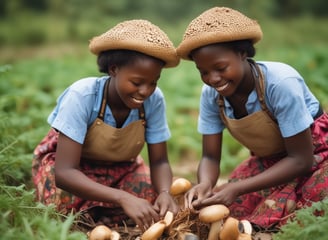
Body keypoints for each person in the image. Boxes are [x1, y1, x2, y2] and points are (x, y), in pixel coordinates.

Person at [176, 7, 328, 230]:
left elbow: (301, 160)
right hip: (269, 162)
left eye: (220, 67)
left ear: (242, 54)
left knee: (315, 200)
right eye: (204, 72)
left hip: (314, 155)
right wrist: (206, 183)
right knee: (224, 204)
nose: (213, 79)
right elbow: (209, 156)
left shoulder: (280, 83)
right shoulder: (211, 96)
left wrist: (238, 188)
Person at [32, 19, 180, 231]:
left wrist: (165, 192)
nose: (145, 91)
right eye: (137, 82)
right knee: (59, 198)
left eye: (153, 82)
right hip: (72, 169)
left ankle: (101, 218)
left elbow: (159, 161)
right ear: (113, 70)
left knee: (157, 198)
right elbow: (65, 172)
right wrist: (122, 198)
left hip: (120, 170)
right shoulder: (82, 95)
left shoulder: (153, 100)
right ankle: (102, 217)